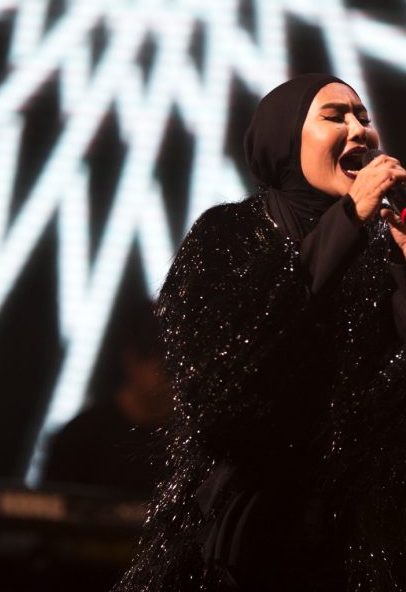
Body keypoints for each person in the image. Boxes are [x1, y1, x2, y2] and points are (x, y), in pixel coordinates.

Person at [113, 73, 406, 591]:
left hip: (356, 548)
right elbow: (225, 384)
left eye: (363, 116)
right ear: (284, 139)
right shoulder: (229, 234)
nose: (359, 129)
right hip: (247, 545)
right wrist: (345, 223)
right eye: (335, 116)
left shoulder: (378, 256)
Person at [44, 303, 173, 499]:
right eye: (161, 363)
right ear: (131, 359)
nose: (170, 377)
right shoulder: (81, 437)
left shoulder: (191, 443)